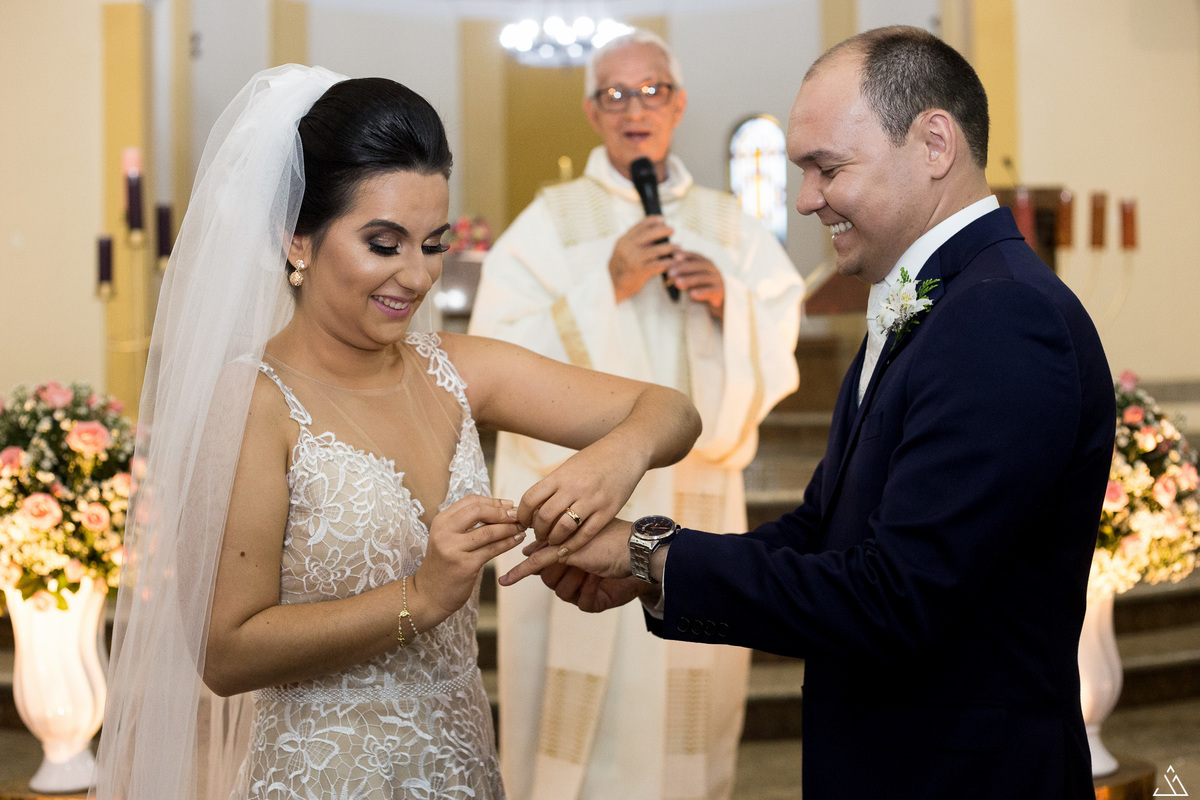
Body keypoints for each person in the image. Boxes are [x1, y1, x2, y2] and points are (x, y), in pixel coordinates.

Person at [504, 26, 1115, 800]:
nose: (803, 199)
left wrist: (652, 554)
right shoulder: (941, 302)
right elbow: (823, 530)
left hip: (958, 774)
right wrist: (645, 560)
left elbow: (893, 598)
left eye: (827, 167)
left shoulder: (1002, 319)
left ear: (934, 144)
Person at [90, 65, 701, 800]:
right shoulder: (253, 402)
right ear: (299, 242)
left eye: (432, 243)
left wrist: (614, 461)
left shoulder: (458, 369)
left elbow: (671, 411)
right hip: (327, 778)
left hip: (464, 768)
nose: (415, 277)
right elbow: (224, 652)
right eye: (384, 244)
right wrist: (420, 594)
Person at [467, 29, 804, 800]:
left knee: (687, 721)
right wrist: (605, 288)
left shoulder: (727, 225)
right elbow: (491, 357)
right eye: (615, 95)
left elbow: (779, 327)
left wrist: (730, 305)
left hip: (697, 502)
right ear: (592, 111)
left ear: (679, 103)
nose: (634, 110)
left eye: (651, 91)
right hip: (586, 508)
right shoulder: (550, 224)